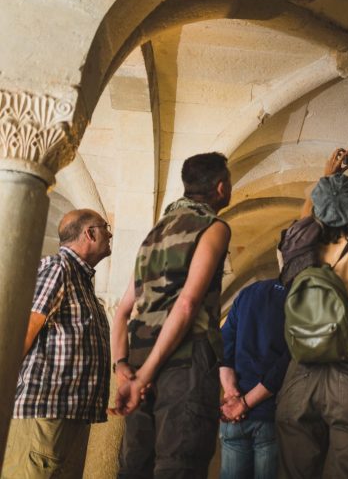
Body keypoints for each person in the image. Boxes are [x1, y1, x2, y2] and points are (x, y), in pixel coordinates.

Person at [111, 152, 232, 478]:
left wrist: (125, 368)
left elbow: (122, 310)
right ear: (220, 188)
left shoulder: (154, 234)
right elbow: (187, 304)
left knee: (136, 465)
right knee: (180, 464)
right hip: (185, 360)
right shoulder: (213, 227)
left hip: (138, 356)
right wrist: (147, 375)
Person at [276, 148, 348, 479]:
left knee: (295, 471)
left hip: (303, 369)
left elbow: (303, 219)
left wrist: (325, 178)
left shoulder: (298, 249)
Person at [2, 209, 113, 478]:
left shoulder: (82, 279)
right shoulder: (58, 268)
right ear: (90, 232)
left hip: (68, 410)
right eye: (105, 227)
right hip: (45, 408)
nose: (110, 233)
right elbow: (25, 327)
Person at [218, 277, 290, 479]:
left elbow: (222, 347)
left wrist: (232, 394)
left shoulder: (248, 293)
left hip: (234, 419)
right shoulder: (298, 300)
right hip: (270, 416)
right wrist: (244, 403)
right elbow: (286, 364)